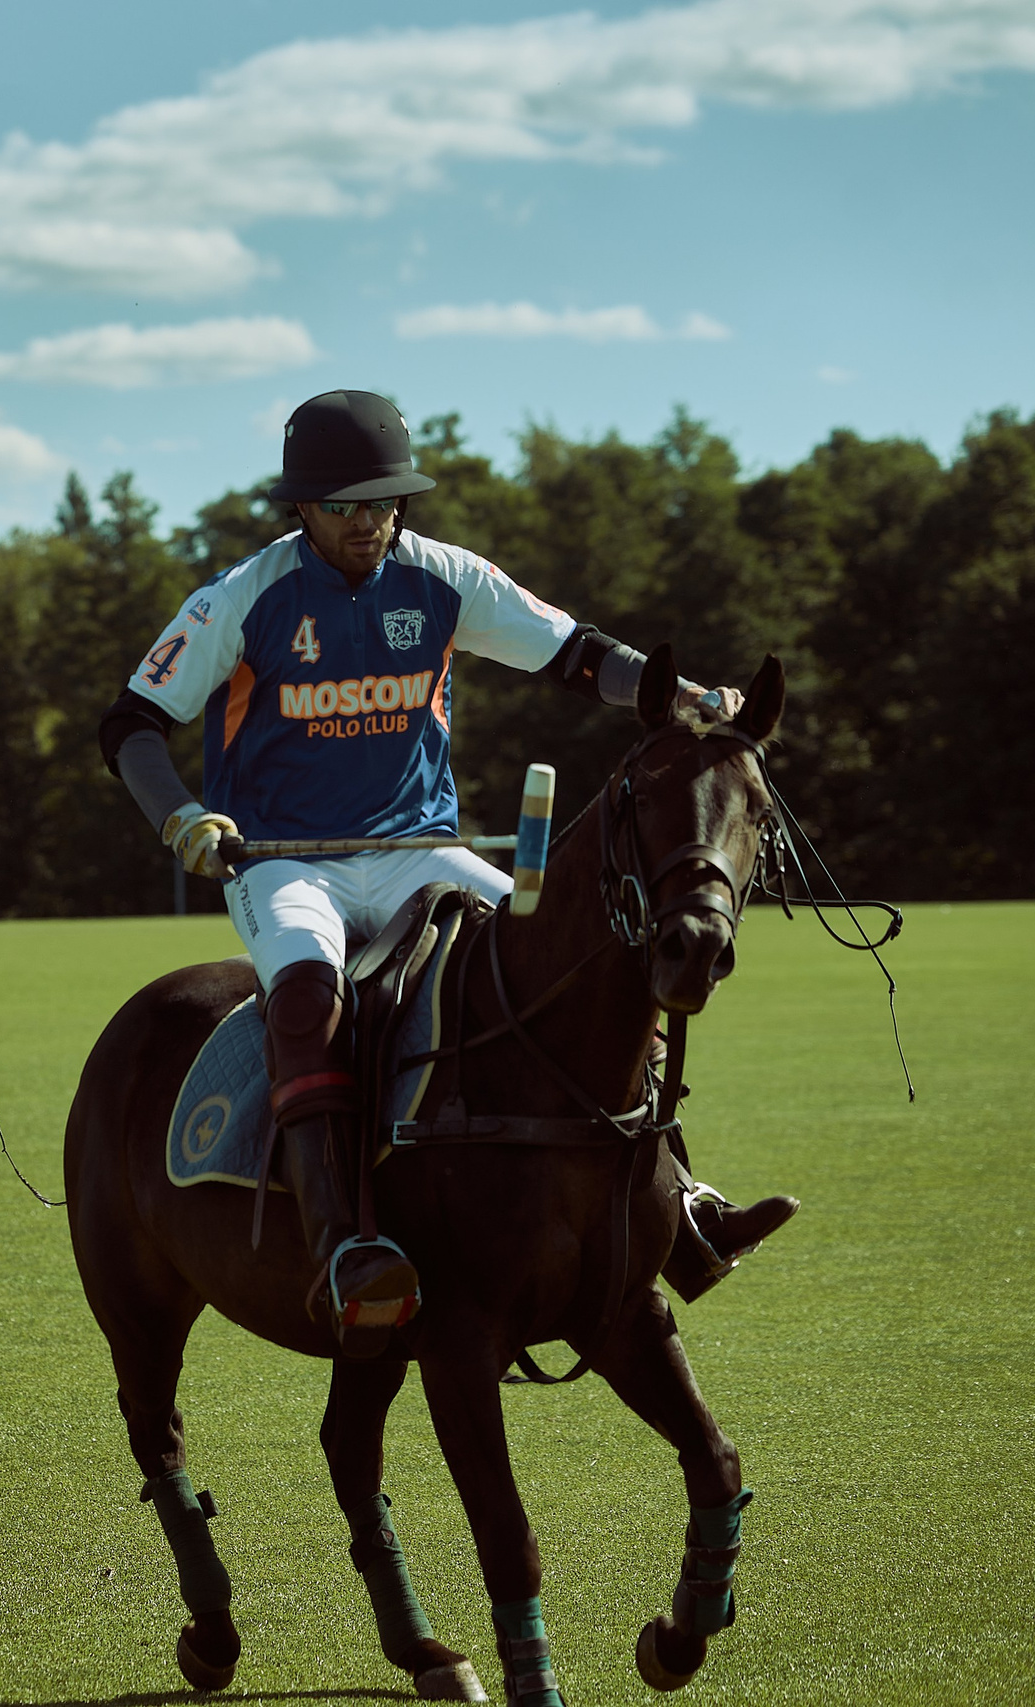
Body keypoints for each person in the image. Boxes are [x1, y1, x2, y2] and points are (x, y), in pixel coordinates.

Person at [99, 389, 797, 1357]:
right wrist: (180, 817)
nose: (367, 523)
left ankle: (678, 1201)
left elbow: (576, 655)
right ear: (300, 507)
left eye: (383, 502)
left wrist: (681, 696)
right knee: (305, 994)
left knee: (580, 957)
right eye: (342, 506)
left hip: (418, 850)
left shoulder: (445, 577)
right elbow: (132, 722)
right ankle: (342, 1242)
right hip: (286, 860)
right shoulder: (242, 597)